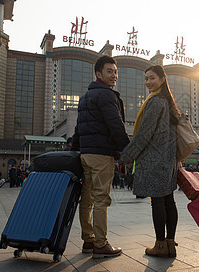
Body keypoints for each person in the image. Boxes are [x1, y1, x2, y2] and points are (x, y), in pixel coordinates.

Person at [72, 55, 130, 258]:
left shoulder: (86, 96)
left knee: (86, 199)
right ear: (98, 74)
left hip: (86, 154)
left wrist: (77, 149)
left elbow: (79, 127)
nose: (114, 75)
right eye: (109, 71)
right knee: (101, 199)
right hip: (101, 153)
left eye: (115, 72)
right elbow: (116, 125)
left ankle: (88, 241)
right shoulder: (106, 95)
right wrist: (126, 150)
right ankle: (100, 244)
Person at [121, 65, 179, 258]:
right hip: (168, 158)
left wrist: (128, 155)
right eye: (146, 79)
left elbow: (145, 133)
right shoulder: (169, 102)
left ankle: (160, 245)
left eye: (152, 78)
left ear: (163, 79)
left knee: (158, 202)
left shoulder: (155, 102)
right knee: (168, 200)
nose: (148, 82)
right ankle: (170, 244)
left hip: (155, 158)